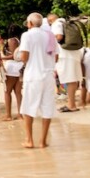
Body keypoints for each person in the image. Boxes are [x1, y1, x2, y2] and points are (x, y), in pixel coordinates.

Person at [19, 12, 59, 148]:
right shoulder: (50, 36)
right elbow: (56, 57)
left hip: (33, 75)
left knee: (28, 107)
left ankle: (29, 140)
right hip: (48, 76)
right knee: (47, 108)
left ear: (29, 24)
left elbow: (24, 57)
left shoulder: (27, 35)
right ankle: (43, 141)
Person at [51, 14, 82, 112]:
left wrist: (49, 45)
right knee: (72, 79)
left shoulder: (56, 24)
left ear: (50, 20)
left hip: (65, 55)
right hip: (74, 54)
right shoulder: (67, 24)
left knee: (69, 80)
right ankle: (71, 103)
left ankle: (71, 105)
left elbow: (59, 36)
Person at [0, 25, 24, 121]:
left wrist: (2, 58)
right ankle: (20, 114)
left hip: (12, 68)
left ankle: (8, 115)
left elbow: (14, 56)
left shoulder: (11, 40)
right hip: (19, 67)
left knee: (7, 91)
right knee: (18, 92)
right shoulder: (20, 40)